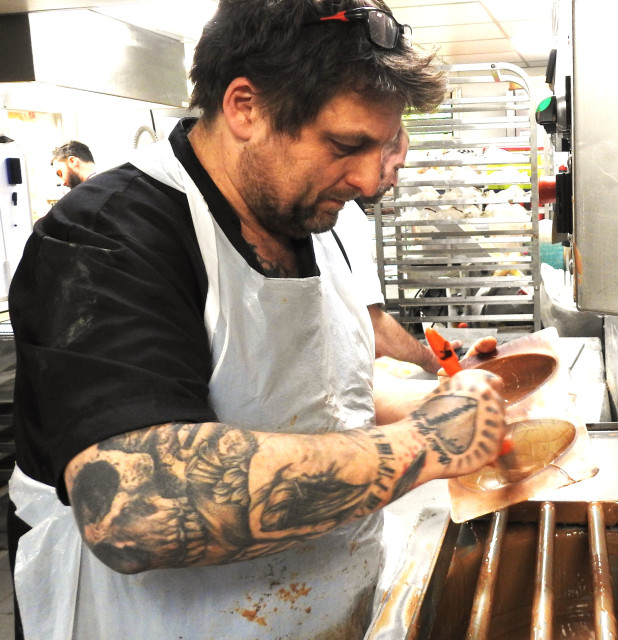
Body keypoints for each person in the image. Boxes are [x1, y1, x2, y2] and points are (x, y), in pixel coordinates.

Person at [7, 1, 507, 639]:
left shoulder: (314, 218)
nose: (368, 179)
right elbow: (137, 507)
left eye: (384, 145)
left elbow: (316, 389)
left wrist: (441, 402)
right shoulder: (107, 235)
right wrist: (426, 443)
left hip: (324, 609)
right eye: (346, 145)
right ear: (246, 107)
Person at [338, 127, 443, 373]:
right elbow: (373, 325)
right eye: (396, 168)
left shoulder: (338, 209)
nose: (395, 182)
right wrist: (435, 362)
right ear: (378, 155)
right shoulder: (345, 215)